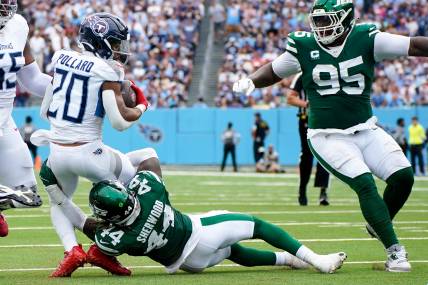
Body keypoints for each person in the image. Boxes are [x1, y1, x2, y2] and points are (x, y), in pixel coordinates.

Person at [233, 0, 423, 272]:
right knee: (365, 184)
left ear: (346, 20)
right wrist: (251, 80)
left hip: (365, 128)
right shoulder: (304, 46)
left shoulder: (367, 39)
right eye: (318, 21)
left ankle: (378, 222)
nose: (321, 27)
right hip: (326, 135)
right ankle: (395, 252)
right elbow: (274, 70)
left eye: (328, 20)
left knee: (404, 177)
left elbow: (413, 45)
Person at [31, 13, 156, 278]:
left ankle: (71, 250)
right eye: (115, 41)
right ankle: (106, 251)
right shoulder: (108, 70)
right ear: (100, 41)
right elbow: (120, 122)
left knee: (59, 202)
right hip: (90, 153)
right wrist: (143, 105)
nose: (120, 48)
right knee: (144, 167)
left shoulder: (62, 58)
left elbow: (45, 111)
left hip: (57, 152)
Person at [87, 172, 346, 276]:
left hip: (189, 264)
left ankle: (288, 260)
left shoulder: (118, 238)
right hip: (199, 232)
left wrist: (70, 213)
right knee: (258, 226)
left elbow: (95, 232)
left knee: (233, 251)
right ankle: (317, 260)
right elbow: (149, 161)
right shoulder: (149, 188)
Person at [0, 0, 53, 237]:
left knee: (27, 195)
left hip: (4, 121)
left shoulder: (18, 25)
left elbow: (32, 80)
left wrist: (72, 85)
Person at [287, 73, 330, 206]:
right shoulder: (301, 76)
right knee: (307, 155)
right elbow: (290, 99)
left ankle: (323, 191)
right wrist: (307, 104)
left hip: (326, 120)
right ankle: (302, 189)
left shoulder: (329, 72)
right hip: (307, 120)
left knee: (326, 155)